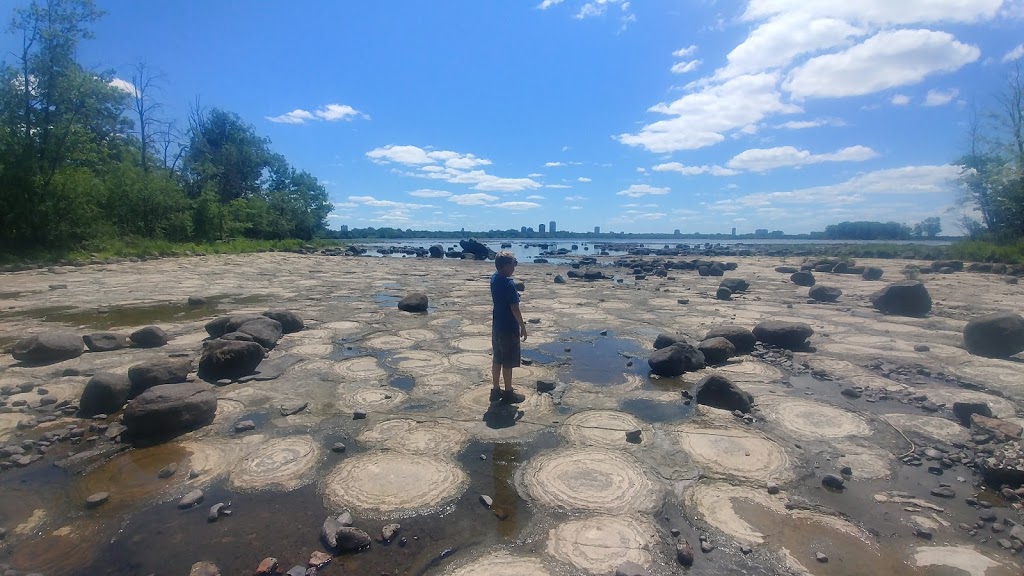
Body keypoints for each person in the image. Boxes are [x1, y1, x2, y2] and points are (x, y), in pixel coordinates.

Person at [490, 251, 527, 403]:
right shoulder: (509, 284)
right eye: (513, 263)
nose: (515, 266)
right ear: (505, 266)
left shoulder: (494, 278)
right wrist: (522, 326)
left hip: (497, 325)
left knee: (497, 359)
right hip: (508, 328)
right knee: (508, 362)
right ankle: (508, 392)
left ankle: (495, 389)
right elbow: (515, 309)